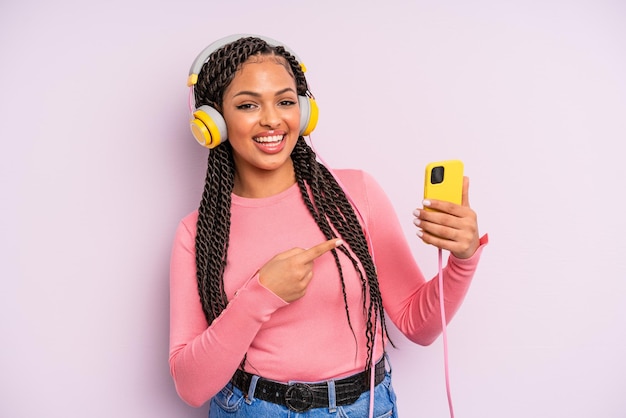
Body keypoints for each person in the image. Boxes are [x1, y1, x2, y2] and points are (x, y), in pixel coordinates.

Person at [169, 34, 488, 417]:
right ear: (213, 122)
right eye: (248, 104)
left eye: (285, 101)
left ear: (304, 112)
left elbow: (418, 325)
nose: (272, 119)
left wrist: (463, 259)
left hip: (363, 407)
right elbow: (191, 386)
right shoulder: (198, 233)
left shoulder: (356, 194)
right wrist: (260, 294)